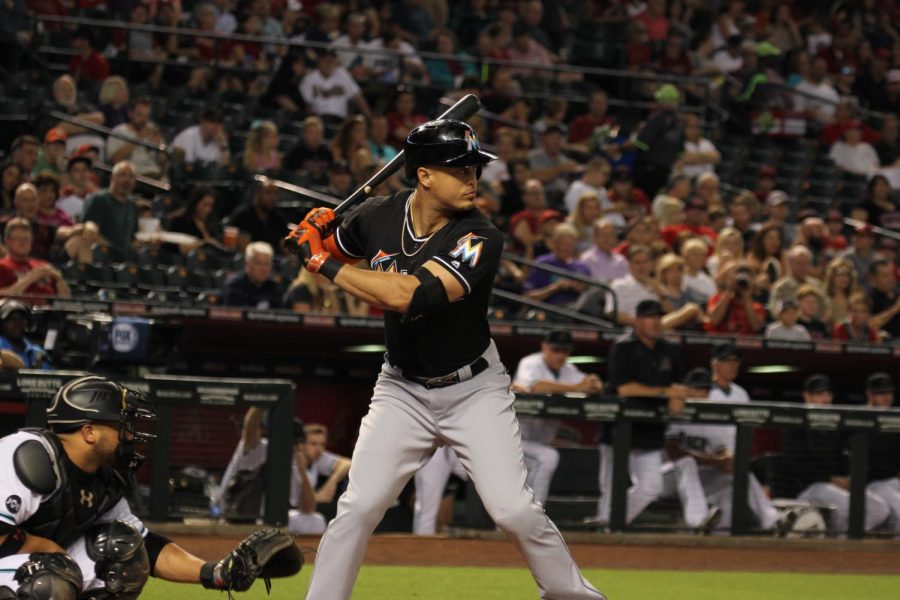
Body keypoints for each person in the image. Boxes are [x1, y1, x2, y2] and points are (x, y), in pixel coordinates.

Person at [284, 119, 606, 599]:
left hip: (473, 390)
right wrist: (316, 236)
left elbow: (406, 295)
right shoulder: (376, 215)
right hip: (402, 389)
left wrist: (321, 261)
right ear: (425, 175)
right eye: (460, 169)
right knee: (358, 506)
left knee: (513, 510)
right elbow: (338, 253)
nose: (473, 178)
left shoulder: (480, 236)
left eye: (475, 168)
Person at [0, 375, 301, 597]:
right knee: (48, 582)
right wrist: (46, 549)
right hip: (21, 564)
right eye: (121, 426)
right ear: (89, 432)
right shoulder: (28, 455)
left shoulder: (104, 477)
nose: (130, 435)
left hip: (25, 564)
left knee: (123, 553)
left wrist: (217, 572)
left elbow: (145, 547)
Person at [595, 299, 711, 528]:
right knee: (610, 489)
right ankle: (605, 533)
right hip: (618, 431)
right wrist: (666, 391)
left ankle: (608, 523)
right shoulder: (623, 347)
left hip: (650, 429)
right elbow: (625, 388)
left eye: (659, 317)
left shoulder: (670, 349)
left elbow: (677, 384)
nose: (656, 322)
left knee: (651, 487)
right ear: (638, 321)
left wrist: (677, 394)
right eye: (650, 317)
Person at [665, 344, 788, 534]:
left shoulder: (732, 399)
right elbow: (672, 450)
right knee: (687, 463)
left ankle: (771, 522)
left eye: (704, 390)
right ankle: (697, 521)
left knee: (738, 475)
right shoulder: (679, 407)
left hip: (709, 471)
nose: (701, 394)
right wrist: (715, 461)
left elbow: (721, 445)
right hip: (669, 474)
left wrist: (728, 460)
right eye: (695, 389)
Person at [779, 374, 889, 534]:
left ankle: (842, 539)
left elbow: (843, 458)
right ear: (806, 396)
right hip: (808, 488)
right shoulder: (795, 426)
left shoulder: (833, 427)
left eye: (828, 394)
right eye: (819, 394)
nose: (825, 398)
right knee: (853, 509)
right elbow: (798, 466)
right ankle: (843, 542)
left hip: (831, 486)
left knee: (880, 508)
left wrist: (846, 478)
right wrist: (831, 479)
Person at [511, 330, 603, 506]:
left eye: (565, 351)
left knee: (525, 485)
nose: (560, 355)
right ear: (544, 347)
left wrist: (592, 383)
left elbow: (594, 383)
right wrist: (577, 388)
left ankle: (523, 523)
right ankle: (534, 518)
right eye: (556, 350)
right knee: (548, 457)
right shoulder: (531, 362)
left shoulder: (568, 370)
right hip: (514, 440)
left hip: (536, 443)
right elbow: (537, 386)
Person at [219, 409, 329, 535]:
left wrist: (303, 472)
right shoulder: (259, 448)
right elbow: (250, 428)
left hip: (269, 525)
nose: (297, 447)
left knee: (316, 520)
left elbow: (308, 509)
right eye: (293, 442)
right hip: (239, 516)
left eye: (298, 442)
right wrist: (261, 401)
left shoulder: (295, 465)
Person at [862, 373, 900, 533]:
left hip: (893, 481)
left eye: (889, 393)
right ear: (870, 394)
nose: (887, 398)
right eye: (881, 393)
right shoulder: (859, 418)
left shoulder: (896, 419)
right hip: (871, 483)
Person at [82, 161, 139, 260]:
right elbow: (90, 229)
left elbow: (133, 238)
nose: (127, 180)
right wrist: (114, 250)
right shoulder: (100, 199)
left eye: (131, 176)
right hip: (102, 256)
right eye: (122, 175)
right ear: (112, 178)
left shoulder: (132, 206)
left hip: (125, 260)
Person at [0, 218, 71, 298]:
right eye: (17, 238)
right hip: (19, 309)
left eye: (26, 239)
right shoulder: (2, 266)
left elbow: (66, 299)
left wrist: (58, 279)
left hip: (51, 309)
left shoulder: (43, 265)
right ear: (7, 241)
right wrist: (31, 278)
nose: (22, 243)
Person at [106, 98, 167, 178]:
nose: (143, 120)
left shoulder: (152, 130)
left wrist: (159, 146)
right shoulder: (119, 131)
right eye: (139, 115)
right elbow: (114, 159)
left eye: (146, 116)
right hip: (133, 175)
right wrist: (139, 138)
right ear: (130, 114)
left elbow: (163, 163)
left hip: (155, 174)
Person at [226, 180, 289, 251]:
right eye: (268, 193)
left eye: (275, 194)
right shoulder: (242, 215)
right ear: (257, 193)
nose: (273, 198)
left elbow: (284, 245)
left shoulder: (279, 218)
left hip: (274, 258)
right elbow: (240, 247)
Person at [222, 242, 282, 309]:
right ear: (247, 264)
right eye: (258, 264)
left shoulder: (273, 286)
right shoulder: (234, 285)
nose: (263, 269)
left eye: (267, 264)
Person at [0, 299, 52, 369]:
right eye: (12, 319)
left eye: (21, 319)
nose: (17, 324)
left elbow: (51, 377)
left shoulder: (37, 353)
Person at [580, 218, 629, 283]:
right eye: (603, 234)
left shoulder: (621, 260)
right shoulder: (586, 259)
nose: (607, 238)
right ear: (594, 237)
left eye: (611, 234)